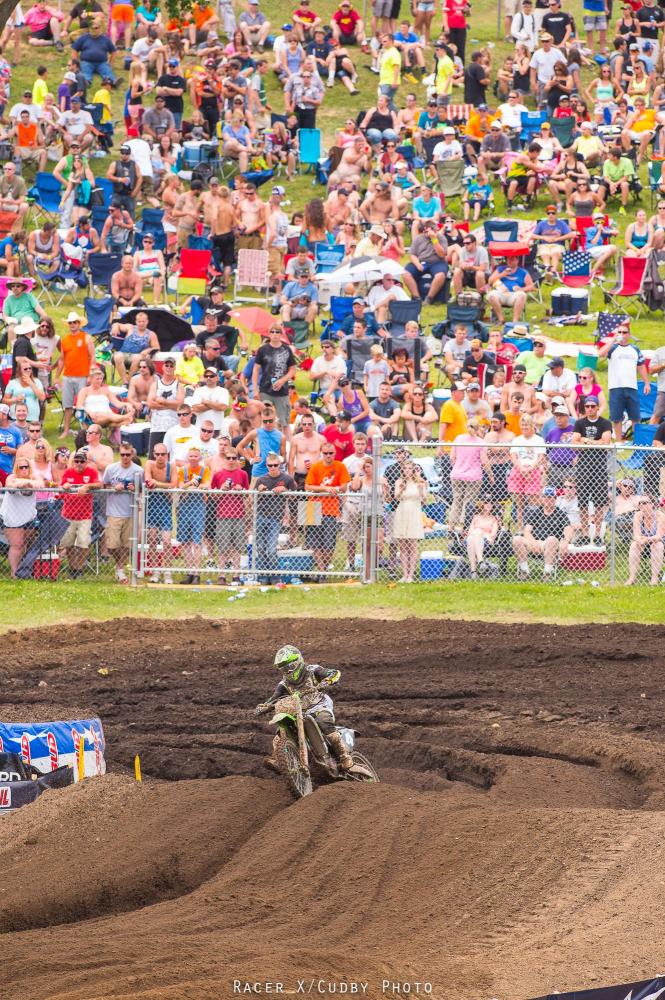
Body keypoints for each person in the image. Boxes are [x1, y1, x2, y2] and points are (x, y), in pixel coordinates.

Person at [255, 645, 354, 771]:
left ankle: (344, 757)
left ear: (297, 662)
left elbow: (334, 673)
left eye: (288, 666)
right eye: (283, 668)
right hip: (300, 711)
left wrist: (327, 681)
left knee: (323, 720)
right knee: (281, 731)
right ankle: (279, 758)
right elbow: (273, 699)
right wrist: (264, 707)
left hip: (319, 704)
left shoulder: (312, 670)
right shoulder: (284, 684)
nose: (287, 671)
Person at [598, 324, 650, 443]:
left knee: (635, 416)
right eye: (620, 332)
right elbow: (600, 353)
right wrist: (612, 340)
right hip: (616, 387)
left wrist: (647, 383)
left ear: (629, 334)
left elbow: (641, 366)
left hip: (632, 387)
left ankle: (637, 442)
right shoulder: (613, 348)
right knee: (617, 417)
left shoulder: (635, 349)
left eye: (624, 332)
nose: (622, 334)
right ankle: (619, 441)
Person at [572, 395, 612, 544]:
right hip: (583, 467)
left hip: (599, 467)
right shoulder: (579, 423)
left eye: (592, 406)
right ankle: (584, 533)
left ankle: (596, 534)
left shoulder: (605, 423)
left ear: (597, 407)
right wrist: (594, 442)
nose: (589, 409)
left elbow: (605, 442)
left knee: (600, 503)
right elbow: (574, 442)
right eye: (587, 406)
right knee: (582, 502)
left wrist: (585, 440)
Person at [305, 443, 350, 576]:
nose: (328, 456)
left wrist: (334, 489)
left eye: (331, 453)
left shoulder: (340, 466)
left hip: (331, 507)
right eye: (325, 453)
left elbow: (344, 487)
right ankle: (322, 571)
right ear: (321, 453)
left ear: (335, 454)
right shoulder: (315, 466)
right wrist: (326, 489)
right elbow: (307, 487)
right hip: (312, 507)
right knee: (314, 542)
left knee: (329, 543)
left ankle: (323, 568)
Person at [102, 447, 144, 583]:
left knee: (127, 545)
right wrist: (115, 488)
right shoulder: (111, 469)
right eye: (122, 455)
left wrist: (135, 488)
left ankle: (120, 570)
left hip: (130, 511)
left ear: (132, 454)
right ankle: (119, 566)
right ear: (119, 455)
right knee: (112, 545)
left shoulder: (139, 470)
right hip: (113, 511)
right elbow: (104, 485)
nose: (125, 457)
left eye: (128, 454)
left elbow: (143, 489)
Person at [512, 486, 570, 580]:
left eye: (551, 497)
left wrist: (565, 541)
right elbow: (527, 531)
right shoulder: (536, 512)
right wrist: (534, 542)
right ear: (542, 498)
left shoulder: (560, 514)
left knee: (551, 539)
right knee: (517, 539)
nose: (548, 499)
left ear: (555, 499)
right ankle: (524, 571)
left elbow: (568, 528)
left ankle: (547, 574)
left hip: (549, 545)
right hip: (533, 542)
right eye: (546, 497)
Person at [58, 449, 101, 577]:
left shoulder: (91, 472)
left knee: (84, 543)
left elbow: (100, 484)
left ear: (86, 462)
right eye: (76, 461)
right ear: (73, 462)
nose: (79, 463)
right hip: (68, 515)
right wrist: (64, 485)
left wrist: (88, 486)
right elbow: (61, 486)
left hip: (85, 515)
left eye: (82, 461)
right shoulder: (68, 472)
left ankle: (79, 567)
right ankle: (72, 568)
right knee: (68, 543)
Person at [54, 313, 95, 440]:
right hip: (68, 376)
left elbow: (93, 356)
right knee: (67, 405)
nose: (72, 325)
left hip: (82, 376)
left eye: (75, 322)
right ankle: (66, 430)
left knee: (82, 405)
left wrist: (90, 375)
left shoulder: (86, 337)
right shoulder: (64, 339)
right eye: (70, 323)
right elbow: (61, 359)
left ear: (79, 324)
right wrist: (56, 377)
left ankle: (85, 430)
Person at [252, 326, 297, 430]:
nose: (275, 334)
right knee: (264, 420)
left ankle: (287, 445)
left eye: (277, 332)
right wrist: (255, 390)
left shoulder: (287, 349)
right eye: (272, 332)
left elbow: (293, 369)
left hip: (282, 391)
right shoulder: (263, 349)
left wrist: (282, 380)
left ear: (281, 334)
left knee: (284, 423)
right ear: (269, 334)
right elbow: (255, 370)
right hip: (265, 390)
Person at [392, 458, 426, 583]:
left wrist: (421, 489)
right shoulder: (399, 481)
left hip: (415, 512)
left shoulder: (420, 482)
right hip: (402, 511)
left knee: (413, 544)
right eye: (405, 468)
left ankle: (411, 574)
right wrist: (401, 488)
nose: (407, 470)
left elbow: (424, 500)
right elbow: (396, 497)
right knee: (403, 544)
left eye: (410, 468)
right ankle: (404, 574)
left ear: (413, 470)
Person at [626, 495, 664, 586]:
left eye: (645, 503)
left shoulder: (660, 515)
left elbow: (659, 536)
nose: (642, 505)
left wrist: (646, 539)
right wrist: (640, 540)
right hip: (644, 544)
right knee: (634, 545)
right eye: (640, 503)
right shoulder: (638, 515)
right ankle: (632, 578)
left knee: (657, 545)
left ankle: (654, 578)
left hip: (661, 544)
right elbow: (636, 535)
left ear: (652, 504)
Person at [466, 496, 501, 578]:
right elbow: (470, 531)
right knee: (472, 537)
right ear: (482, 505)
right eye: (486, 502)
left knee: (475, 535)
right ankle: (480, 562)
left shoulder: (494, 519)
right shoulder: (476, 517)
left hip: (486, 540)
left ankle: (474, 571)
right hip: (474, 537)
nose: (489, 504)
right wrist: (479, 532)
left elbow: (493, 534)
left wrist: (481, 533)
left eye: (491, 502)